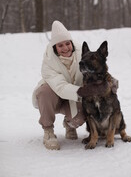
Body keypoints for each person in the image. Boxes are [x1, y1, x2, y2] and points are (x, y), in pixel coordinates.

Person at [32, 20, 118, 150]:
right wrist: (86, 91)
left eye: (67, 43)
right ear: (54, 47)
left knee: (85, 112)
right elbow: (60, 87)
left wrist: (111, 81)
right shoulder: (48, 61)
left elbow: (97, 68)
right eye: (60, 45)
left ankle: (69, 124)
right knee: (44, 92)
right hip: (53, 98)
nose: (65, 48)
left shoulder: (82, 54)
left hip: (74, 96)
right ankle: (48, 131)